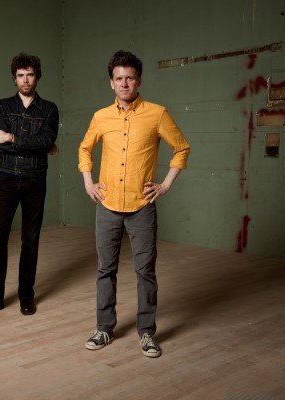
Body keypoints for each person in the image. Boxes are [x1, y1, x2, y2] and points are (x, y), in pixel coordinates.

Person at [78, 50, 191, 358]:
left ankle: (147, 332)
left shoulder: (157, 114)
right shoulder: (101, 117)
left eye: (129, 78)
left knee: (145, 271)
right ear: (111, 83)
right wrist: (89, 182)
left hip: (142, 207)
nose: (124, 83)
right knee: (105, 269)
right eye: (119, 78)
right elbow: (85, 148)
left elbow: (182, 148)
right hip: (108, 205)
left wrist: (165, 184)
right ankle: (104, 327)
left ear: (138, 81)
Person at [0, 53, 59, 317]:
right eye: (21, 75)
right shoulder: (2, 106)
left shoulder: (49, 109)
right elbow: (15, 146)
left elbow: (46, 141)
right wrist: (40, 145)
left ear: (37, 77)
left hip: (35, 180)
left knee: (30, 240)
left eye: (30, 75)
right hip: (7, 178)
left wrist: (11, 137)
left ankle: (26, 296)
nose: (25, 80)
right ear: (14, 79)